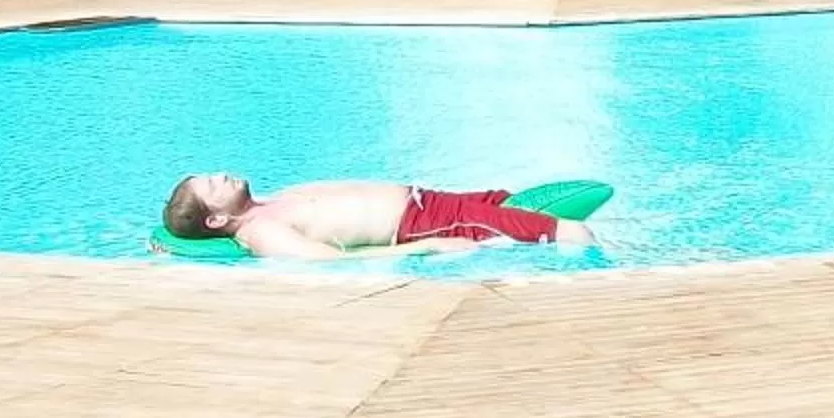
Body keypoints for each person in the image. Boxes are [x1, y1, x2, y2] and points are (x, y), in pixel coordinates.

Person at [161, 173, 592, 259]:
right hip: (426, 225)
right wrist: (425, 247)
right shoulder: (263, 232)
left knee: (517, 202)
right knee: (568, 231)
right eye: (212, 186)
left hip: (435, 203)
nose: (221, 175)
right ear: (216, 220)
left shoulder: (267, 204)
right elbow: (330, 262)